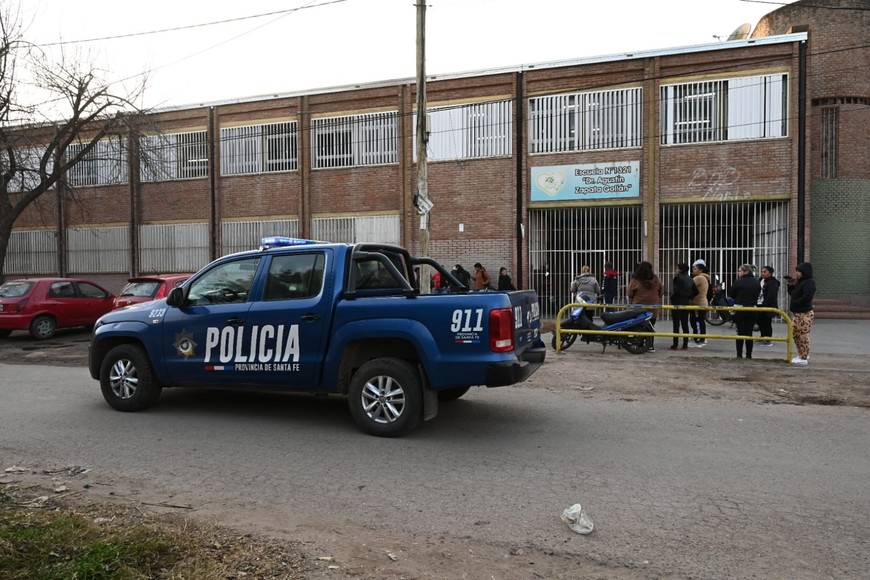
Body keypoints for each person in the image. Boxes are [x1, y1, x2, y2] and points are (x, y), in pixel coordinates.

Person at [627, 261, 663, 352]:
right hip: (653, 307)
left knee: (638, 326)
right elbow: (661, 292)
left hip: (639, 307)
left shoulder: (636, 280)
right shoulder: (656, 280)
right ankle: (650, 345)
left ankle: (639, 344)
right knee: (650, 326)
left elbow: (630, 293)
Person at [728, 264, 761, 359]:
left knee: (740, 332)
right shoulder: (756, 282)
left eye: (740, 271)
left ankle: (739, 354)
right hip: (752, 309)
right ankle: (749, 354)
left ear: (745, 271)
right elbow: (758, 293)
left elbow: (732, 294)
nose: (738, 273)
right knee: (749, 333)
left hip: (740, 309)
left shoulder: (738, 282)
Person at [786, 262, 816, 366]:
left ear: (804, 272)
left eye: (799, 271)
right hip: (797, 313)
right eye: (797, 271)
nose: (797, 273)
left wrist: (796, 303)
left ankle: (803, 357)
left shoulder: (809, 282)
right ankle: (801, 354)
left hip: (804, 313)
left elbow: (807, 297)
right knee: (795, 334)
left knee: (803, 335)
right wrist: (790, 285)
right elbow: (793, 294)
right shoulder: (800, 282)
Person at [669, 262, 694, 350]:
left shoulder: (678, 278)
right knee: (685, 323)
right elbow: (695, 291)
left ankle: (675, 344)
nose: (676, 270)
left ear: (681, 270)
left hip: (677, 302)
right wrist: (689, 296)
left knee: (676, 324)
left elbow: (677, 291)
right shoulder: (690, 279)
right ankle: (685, 344)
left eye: (677, 268)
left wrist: (672, 298)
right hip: (686, 302)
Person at [757, 265, 780, 346]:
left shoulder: (772, 283)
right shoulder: (761, 280)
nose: (762, 273)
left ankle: (767, 340)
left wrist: (764, 305)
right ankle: (762, 337)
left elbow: (770, 296)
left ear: (770, 273)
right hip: (759, 303)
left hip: (767, 306)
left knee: (766, 323)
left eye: (765, 272)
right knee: (761, 322)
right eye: (762, 271)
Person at [689, 260, 710, 347]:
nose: (693, 270)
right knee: (700, 321)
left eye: (695, 269)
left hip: (698, 303)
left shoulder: (699, 278)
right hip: (701, 302)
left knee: (697, 321)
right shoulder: (704, 278)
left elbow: (688, 285)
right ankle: (700, 337)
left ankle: (699, 339)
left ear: (700, 270)